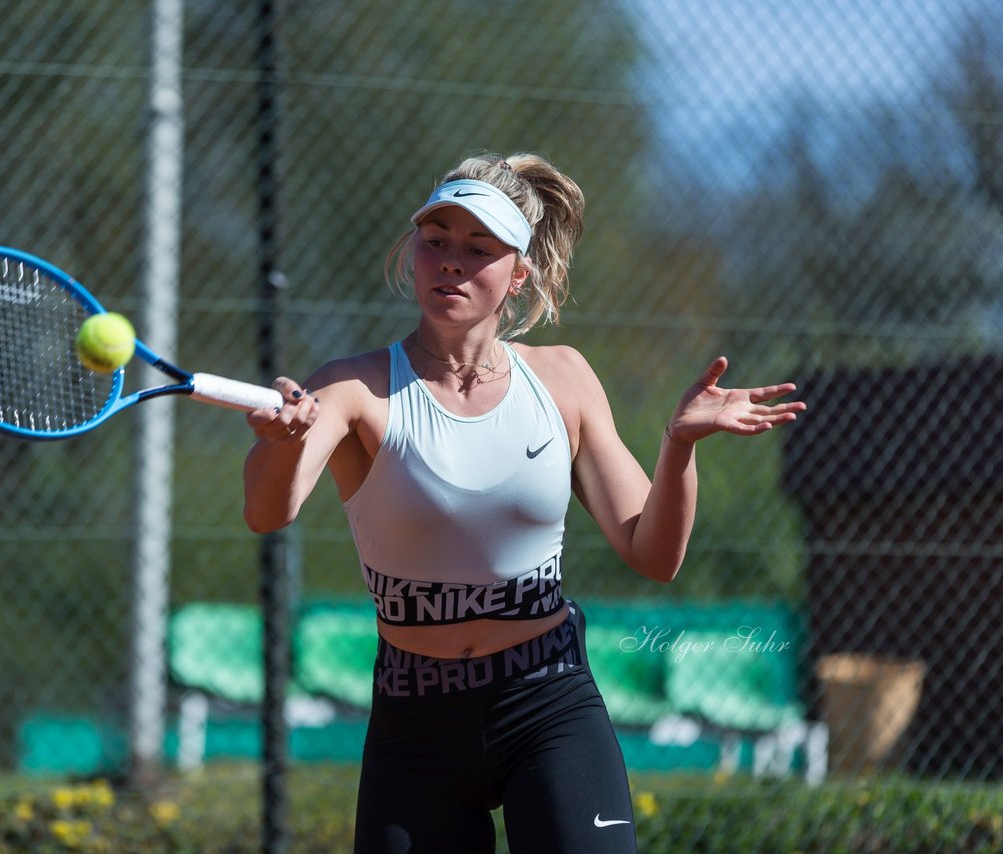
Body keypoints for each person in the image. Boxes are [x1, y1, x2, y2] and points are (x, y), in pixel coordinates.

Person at [242, 152, 805, 853]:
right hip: (414, 721)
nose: (450, 261)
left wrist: (679, 445)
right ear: (412, 254)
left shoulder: (563, 380)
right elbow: (270, 510)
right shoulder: (354, 388)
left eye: (479, 249)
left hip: (547, 702)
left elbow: (654, 553)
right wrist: (278, 444)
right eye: (436, 241)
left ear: (518, 275)